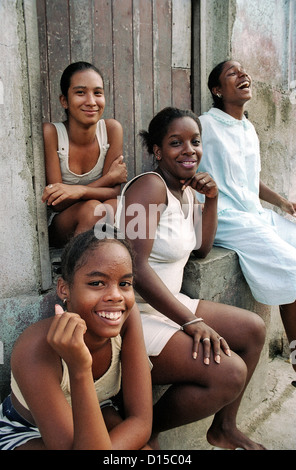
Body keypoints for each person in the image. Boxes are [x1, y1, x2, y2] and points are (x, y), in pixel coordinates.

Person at [116, 107, 266, 450]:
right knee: (229, 373)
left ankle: (224, 428)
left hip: (168, 302)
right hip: (135, 313)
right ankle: (145, 428)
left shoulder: (184, 190)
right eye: (175, 143)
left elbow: (201, 248)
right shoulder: (148, 189)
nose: (189, 150)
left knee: (254, 330)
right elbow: (134, 269)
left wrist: (211, 200)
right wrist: (191, 321)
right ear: (157, 151)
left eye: (195, 141)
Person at [0, 227, 152, 450]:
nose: (116, 296)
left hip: (97, 409)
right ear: (64, 289)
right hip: (26, 429)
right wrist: (79, 367)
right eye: (97, 283)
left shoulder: (127, 318)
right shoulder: (35, 347)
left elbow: (140, 422)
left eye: (124, 284)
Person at [197, 59, 296, 373]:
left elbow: (250, 180)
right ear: (217, 90)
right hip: (226, 217)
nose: (243, 75)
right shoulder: (204, 125)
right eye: (232, 73)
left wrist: (282, 203)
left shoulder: (248, 128)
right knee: (291, 267)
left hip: (254, 213)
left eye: (243, 71)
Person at [42, 61, 127, 247]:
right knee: (93, 208)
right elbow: (57, 202)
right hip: (60, 222)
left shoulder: (111, 130)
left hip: (98, 214)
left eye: (97, 93)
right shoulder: (52, 133)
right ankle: (75, 269)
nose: (91, 101)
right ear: (64, 101)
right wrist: (107, 179)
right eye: (80, 92)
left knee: (115, 205)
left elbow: (114, 192)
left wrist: (78, 190)